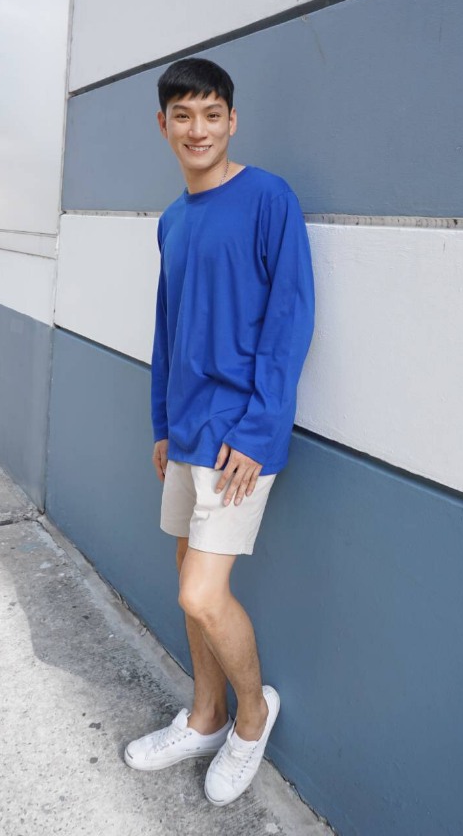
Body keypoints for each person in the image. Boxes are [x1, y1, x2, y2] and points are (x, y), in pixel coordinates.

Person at [123, 57, 315, 806]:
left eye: (211, 115)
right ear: (163, 125)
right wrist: (163, 422)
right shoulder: (172, 219)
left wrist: (260, 431)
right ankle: (204, 718)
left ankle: (251, 716)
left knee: (203, 595)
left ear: (232, 120)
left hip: (241, 439)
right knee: (185, 581)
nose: (197, 129)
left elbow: (289, 319)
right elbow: (168, 328)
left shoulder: (269, 199)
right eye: (183, 116)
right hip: (188, 431)